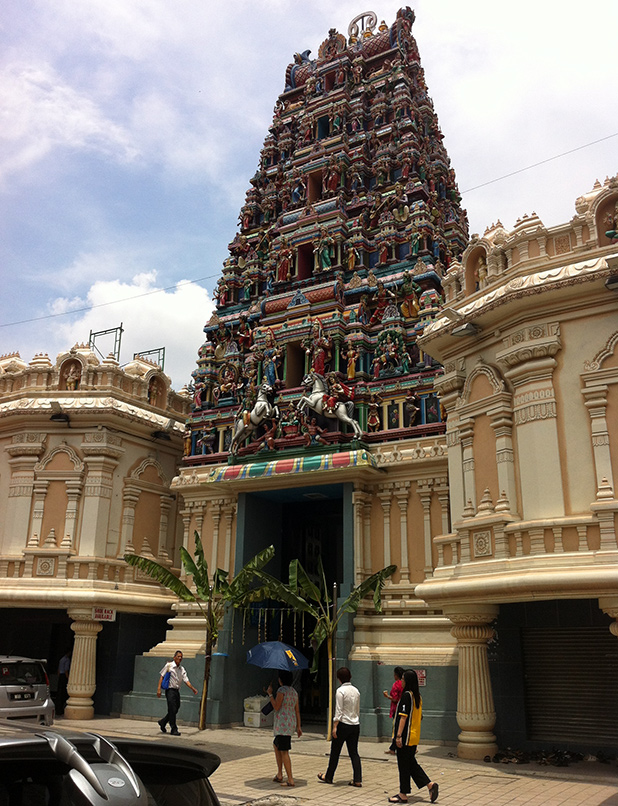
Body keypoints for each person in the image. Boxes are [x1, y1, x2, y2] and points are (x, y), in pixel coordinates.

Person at [388, 669, 438, 803]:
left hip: (405, 737)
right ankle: (430, 785)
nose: (401, 682)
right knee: (411, 764)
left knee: (404, 766)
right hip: (414, 737)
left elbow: (403, 718)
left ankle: (403, 794)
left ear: (408, 681)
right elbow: (419, 717)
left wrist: (398, 737)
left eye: (403, 679)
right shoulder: (418, 697)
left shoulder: (406, 696)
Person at [317, 666, 362, 787]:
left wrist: (334, 726)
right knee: (354, 752)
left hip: (343, 724)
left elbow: (339, 710)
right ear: (350, 677)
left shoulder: (340, 691)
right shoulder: (356, 691)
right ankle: (357, 779)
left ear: (338, 679)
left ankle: (329, 776)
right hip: (355, 724)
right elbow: (357, 710)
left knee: (335, 752)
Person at [266, 670, 302, 787]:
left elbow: (276, 707)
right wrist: (298, 726)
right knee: (276, 745)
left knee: (284, 751)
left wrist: (270, 695)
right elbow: (297, 710)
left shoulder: (281, 691)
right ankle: (279, 773)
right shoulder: (294, 692)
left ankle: (290, 779)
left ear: (280, 680)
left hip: (282, 725)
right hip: (290, 724)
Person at [157, 650, 198, 736]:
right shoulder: (169, 666)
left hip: (176, 691)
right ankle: (173, 729)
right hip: (170, 690)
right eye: (178, 656)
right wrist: (159, 689)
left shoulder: (181, 669)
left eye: (181, 657)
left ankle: (163, 722)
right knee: (172, 708)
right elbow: (162, 676)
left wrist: (192, 688)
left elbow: (186, 680)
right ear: (174, 657)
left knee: (175, 708)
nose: (180, 658)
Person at [383, 666, 405, 753]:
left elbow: (395, 699)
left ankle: (394, 747)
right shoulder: (404, 683)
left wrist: (387, 696)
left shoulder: (396, 684)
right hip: (403, 708)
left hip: (396, 709)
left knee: (396, 728)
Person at [56, 648, 72, 716]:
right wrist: (68, 679)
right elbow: (66, 670)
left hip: (61, 676)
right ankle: (61, 709)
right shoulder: (67, 660)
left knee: (59, 693)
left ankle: (58, 709)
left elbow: (59, 670)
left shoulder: (61, 659)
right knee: (63, 693)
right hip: (64, 676)